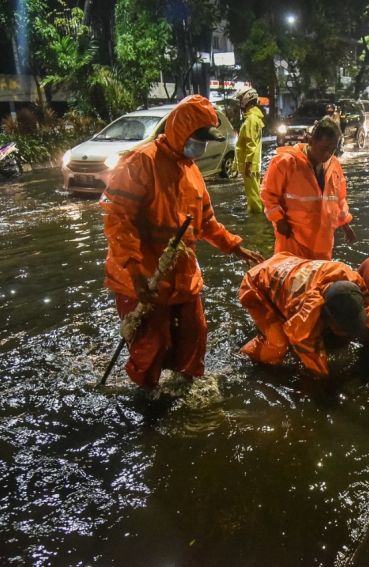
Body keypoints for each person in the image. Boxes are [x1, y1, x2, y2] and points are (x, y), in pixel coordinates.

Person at [100, 95, 264, 389]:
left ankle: (186, 390)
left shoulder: (192, 172)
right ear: (180, 130)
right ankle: (147, 397)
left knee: (195, 333)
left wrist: (233, 245)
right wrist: (136, 273)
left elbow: (206, 222)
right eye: (196, 138)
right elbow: (117, 221)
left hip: (182, 276)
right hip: (141, 278)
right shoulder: (141, 162)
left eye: (204, 140)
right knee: (153, 344)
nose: (200, 146)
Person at [239, 252, 369, 377]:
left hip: (282, 264)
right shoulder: (305, 319)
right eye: (343, 328)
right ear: (327, 318)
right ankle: (242, 358)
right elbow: (314, 365)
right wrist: (323, 379)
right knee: (279, 345)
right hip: (256, 287)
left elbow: (367, 305)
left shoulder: (351, 279)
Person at [261, 117, 357, 260]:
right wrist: (279, 221)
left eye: (333, 149)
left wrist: (345, 225)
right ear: (311, 141)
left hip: (323, 247)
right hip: (293, 244)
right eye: (325, 148)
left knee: (319, 281)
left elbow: (339, 198)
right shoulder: (286, 162)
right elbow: (268, 194)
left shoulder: (334, 166)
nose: (328, 154)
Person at [234, 86, 265, 214]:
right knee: (256, 192)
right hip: (252, 163)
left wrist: (248, 163)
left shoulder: (251, 120)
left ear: (246, 99)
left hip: (250, 164)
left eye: (240, 98)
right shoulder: (253, 118)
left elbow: (251, 144)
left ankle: (257, 219)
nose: (239, 101)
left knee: (253, 196)